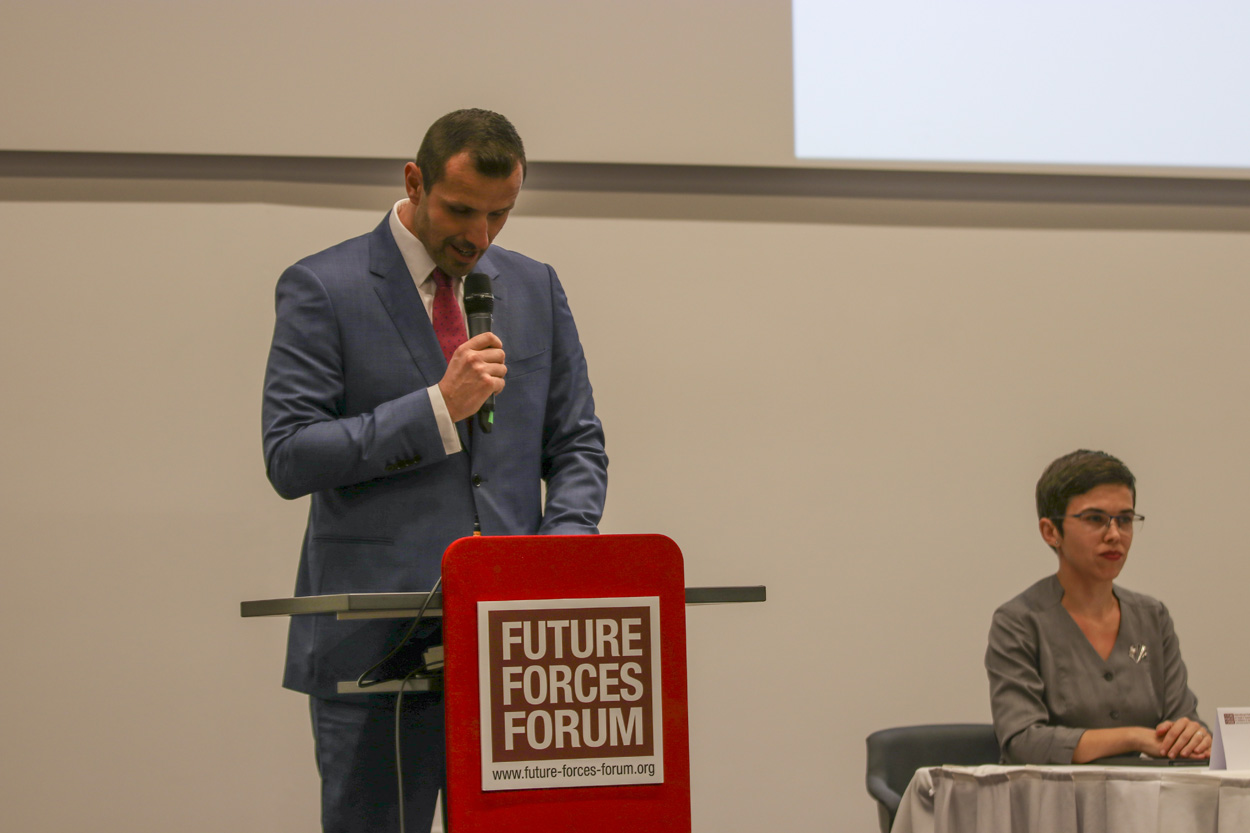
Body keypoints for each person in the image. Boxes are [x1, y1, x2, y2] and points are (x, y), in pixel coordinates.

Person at [261, 109, 608, 832]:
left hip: (514, 649)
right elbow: (290, 454)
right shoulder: (323, 286)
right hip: (374, 653)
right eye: (460, 210)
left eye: (499, 214)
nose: (479, 236)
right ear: (414, 182)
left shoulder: (535, 287)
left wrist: (559, 556)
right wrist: (435, 409)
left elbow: (577, 445)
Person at [985, 450, 1208, 765]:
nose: (1115, 535)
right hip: (1052, 795)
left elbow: (1183, 721)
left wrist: (1192, 735)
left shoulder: (1152, 617)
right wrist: (1134, 737)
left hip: (1146, 794)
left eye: (1125, 520)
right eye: (1095, 519)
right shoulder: (1019, 622)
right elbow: (1023, 742)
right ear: (1051, 532)